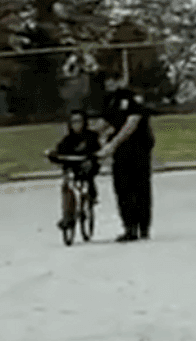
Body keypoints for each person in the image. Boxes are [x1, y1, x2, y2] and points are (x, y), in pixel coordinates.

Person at [95, 88, 155, 242]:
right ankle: (129, 227)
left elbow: (132, 122)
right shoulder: (111, 100)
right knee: (122, 188)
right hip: (121, 153)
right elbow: (104, 122)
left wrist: (112, 144)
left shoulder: (133, 98)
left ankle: (143, 227)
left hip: (138, 149)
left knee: (140, 188)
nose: (108, 83)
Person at [46, 110, 102, 228]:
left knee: (88, 176)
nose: (76, 124)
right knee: (67, 185)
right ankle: (67, 216)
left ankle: (91, 196)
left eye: (79, 121)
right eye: (73, 122)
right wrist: (53, 155)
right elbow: (60, 152)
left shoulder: (91, 136)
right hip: (72, 167)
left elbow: (97, 151)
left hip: (87, 166)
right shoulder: (67, 140)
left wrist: (92, 157)